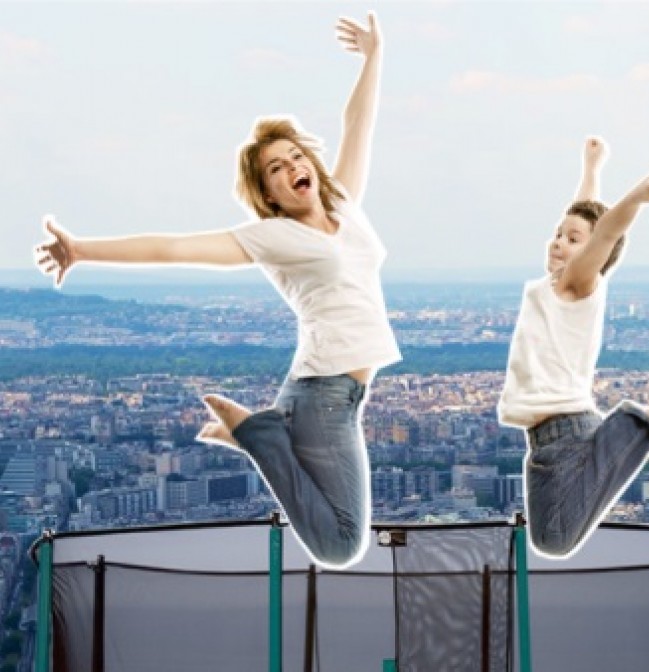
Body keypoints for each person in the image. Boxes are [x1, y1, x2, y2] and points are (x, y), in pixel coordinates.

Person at [32, 12, 396, 570]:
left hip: (338, 399)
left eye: (295, 156)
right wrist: (81, 250)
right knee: (341, 544)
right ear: (268, 193)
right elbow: (174, 249)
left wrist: (373, 58)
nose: (292, 166)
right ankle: (262, 435)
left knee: (341, 536)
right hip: (321, 395)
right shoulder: (275, 236)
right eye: (276, 168)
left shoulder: (344, 205)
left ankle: (259, 437)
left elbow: (358, 126)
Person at [498, 136, 649, 558]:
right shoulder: (555, 288)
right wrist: (592, 168)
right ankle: (628, 429)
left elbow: (604, 231)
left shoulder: (577, 285)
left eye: (571, 240)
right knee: (548, 540)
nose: (558, 241)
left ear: (594, 255)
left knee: (555, 541)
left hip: (567, 434)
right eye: (557, 234)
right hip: (545, 439)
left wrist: (639, 194)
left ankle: (632, 427)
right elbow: (587, 219)